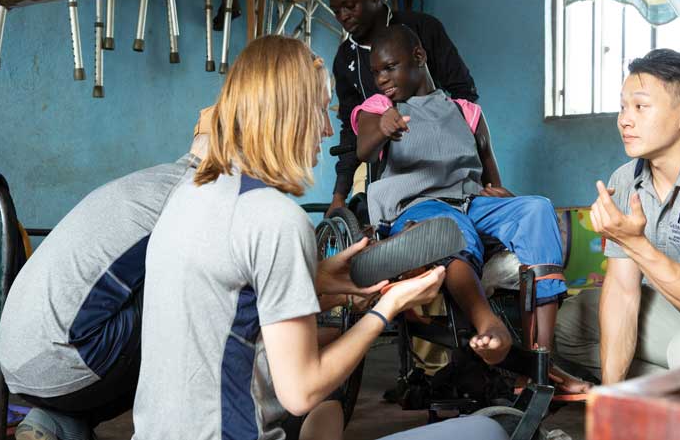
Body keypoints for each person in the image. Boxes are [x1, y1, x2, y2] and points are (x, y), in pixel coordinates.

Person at [131, 34, 513, 440]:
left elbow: (230, 297)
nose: (329, 130)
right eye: (320, 111)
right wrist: (387, 307)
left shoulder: (191, 193)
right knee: (487, 430)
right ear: (290, 113)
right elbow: (300, 391)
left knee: (327, 414)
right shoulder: (275, 218)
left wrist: (319, 277)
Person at [351, 25, 570, 368]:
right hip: (418, 207)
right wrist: (382, 128)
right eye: (375, 71)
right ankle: (488, 323)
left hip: (470, 203)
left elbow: (490, 174)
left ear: (419, 57)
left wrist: (505, 198)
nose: (381, 78)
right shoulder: (379, 107)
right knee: (450, 228)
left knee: (537, 209)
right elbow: (363, 150)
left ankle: (541, 358)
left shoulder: (466, 112)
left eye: (390, 67)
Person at [554, 49, 680, 385]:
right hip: (674, 315)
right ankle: (661, 393)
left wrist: (635, 243)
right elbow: (623, 291)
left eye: (640, 106)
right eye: (623, 107)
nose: (624, 119)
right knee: (571, 323)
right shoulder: (624, 180)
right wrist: (613, 396)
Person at [0, 122, 207, 440]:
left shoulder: (154, 180)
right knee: (199, 294)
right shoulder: (196, 197)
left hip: (16, 362)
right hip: (63, 360)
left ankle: (57, 423)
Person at [327, 0, 478, 216]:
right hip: (384, 161)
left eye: (350, 6)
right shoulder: (345, 59)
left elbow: (464, 93)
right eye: (336, 11)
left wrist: (447, 146)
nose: (343, 16)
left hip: (441, 161)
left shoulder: (422, 29)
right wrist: (339, 195)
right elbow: (350, 132)